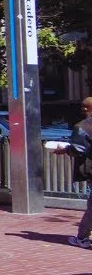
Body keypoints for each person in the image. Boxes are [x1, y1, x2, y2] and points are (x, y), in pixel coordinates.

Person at [56, 97, 92, 248]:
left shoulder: (83, 126)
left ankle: (82, 238)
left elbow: (78, 149)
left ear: (85, 110)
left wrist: (64, 149)